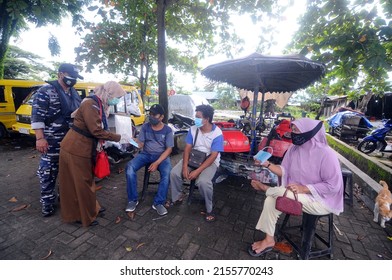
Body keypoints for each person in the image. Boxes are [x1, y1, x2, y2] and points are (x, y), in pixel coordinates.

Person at [248, 118, 344, 257]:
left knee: (279, 192)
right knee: (271, 200)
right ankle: (269, 240)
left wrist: (304, 188)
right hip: (295, 193)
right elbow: (284, 170)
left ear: (309, 132)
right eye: (292, 130)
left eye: (296, 130)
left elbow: (333, 186)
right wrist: (266, 164)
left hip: (321, 200)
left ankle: (264, 188)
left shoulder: (326, 154)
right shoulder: (293, 149)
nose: (293, 133)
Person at [58, 81, 126, 227]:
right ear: (109, 94)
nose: (117, 101)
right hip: (76, 148)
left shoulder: (99, 104)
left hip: (82, 147)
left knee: (86, 181)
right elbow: (96, 130)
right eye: (117, 97)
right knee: (80, 184)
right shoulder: (91, 104)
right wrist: (119, 137)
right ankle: (82, 216)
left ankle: (92, 208)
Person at [32, 63, 83, 217]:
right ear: (61, 74)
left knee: (67, 173)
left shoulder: (74, 93)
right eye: (70, 76)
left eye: (75, 77)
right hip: (52, 141)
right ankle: (47, 204)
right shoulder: (45, 91)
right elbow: (37, 117)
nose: (73, 79)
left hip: (70, 142)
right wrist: (40, 138)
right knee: (48, 174)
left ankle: (65, 200)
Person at [169, 104, 224, 222]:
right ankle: (178, 196)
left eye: (198, 117)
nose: (196, 119)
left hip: (209, 161)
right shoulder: (193, 129)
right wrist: (184, 167)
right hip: (193, 157)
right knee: (174, 173)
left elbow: (214, 156)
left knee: (204, 182)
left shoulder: (217, 133)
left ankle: (209, 208)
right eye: (196, 116)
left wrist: (197, 171)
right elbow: (187, 148)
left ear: (207, 119)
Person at [125, 104, 174, 216]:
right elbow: (141, 144)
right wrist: (132, 141)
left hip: (161, 156)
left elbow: (169, 149)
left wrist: (157, 163)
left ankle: (159, 202)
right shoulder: (145, 127)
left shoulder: (167, 130)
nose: (151, 117)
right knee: (130, 167)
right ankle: (132, 200)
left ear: (161, 117)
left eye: (154, 115)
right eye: (150, 114)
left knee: (167, 173)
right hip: (146, 154)